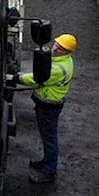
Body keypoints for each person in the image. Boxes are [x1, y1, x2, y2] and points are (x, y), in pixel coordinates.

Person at [14, 33, 76, 184]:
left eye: (60, 48)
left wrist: (16, 78)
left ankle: (49, 171)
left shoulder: (59, 68)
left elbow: (38, 79)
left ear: (67, 52)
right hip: (48, 104)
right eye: (56, 44)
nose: (55, 48)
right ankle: (46, 162)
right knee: (47, 136)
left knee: (49, 138)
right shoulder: (64, 60)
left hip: (49, 106)